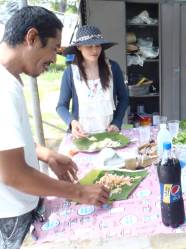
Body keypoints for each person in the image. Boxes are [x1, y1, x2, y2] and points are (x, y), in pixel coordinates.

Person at [0, 7, 110, 249]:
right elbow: (13, 174)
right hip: (11, 216)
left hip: (24, 205)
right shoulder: (3, 89)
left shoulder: (10, 80)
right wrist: (79, 193)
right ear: (32, 38)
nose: (55, 58)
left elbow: (7, 145)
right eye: (53, 48)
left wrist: (45, 154)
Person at [56, 25, 129, 138]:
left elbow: (124, 98)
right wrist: (72, 122)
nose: (95, 50)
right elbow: (61, 106)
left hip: (109, 134)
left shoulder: (113, 68)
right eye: (89, 46)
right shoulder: (71, 72)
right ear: (79, 47)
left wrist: (117, 122)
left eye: (98, 46)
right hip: (82, 136)